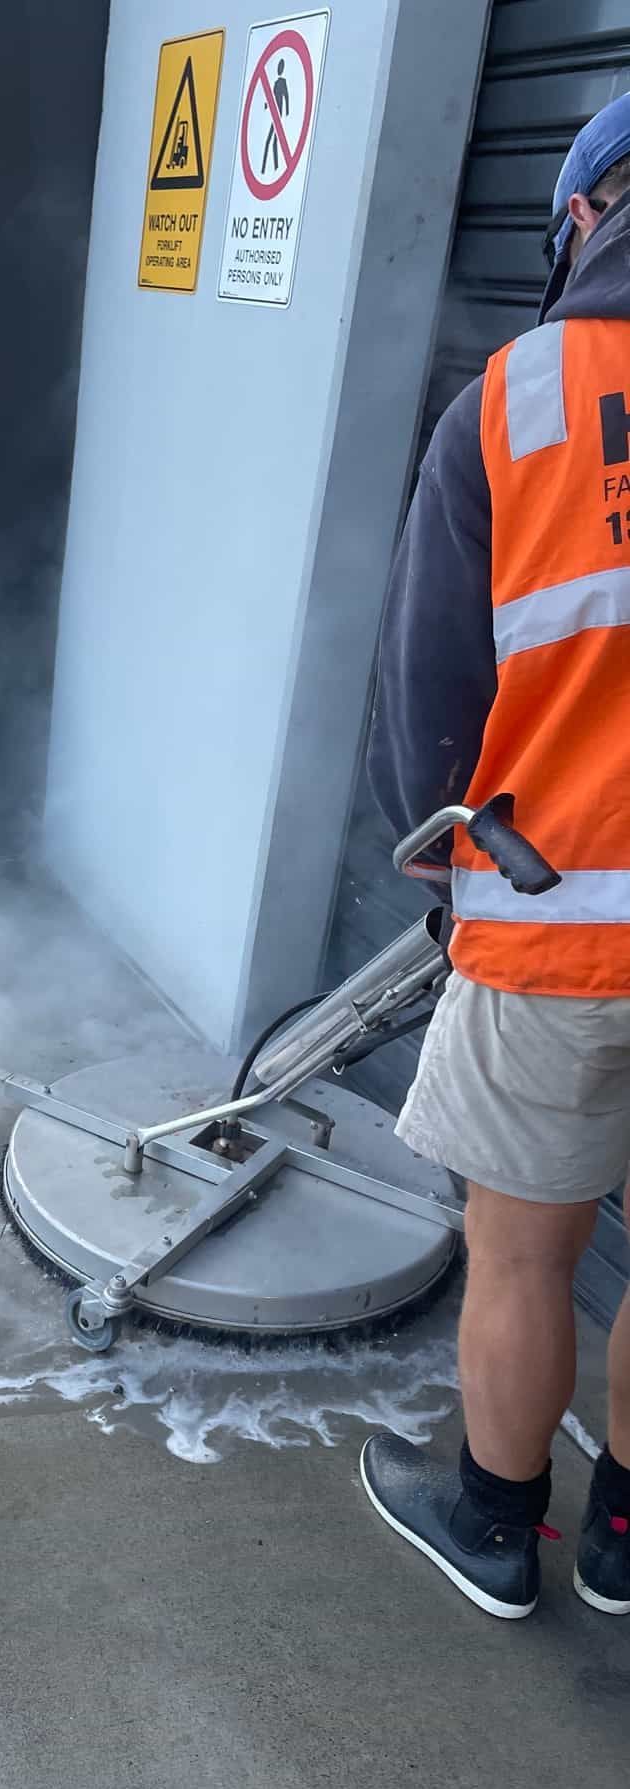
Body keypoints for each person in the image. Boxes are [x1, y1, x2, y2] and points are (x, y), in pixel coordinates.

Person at [361, 95, 630, 1620]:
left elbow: (430, 693)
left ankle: (491, 1527)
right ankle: (625, 1547)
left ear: (584, 221)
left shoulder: (516, 403)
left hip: (559, 923)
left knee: (523, 1257)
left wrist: (441, 865)